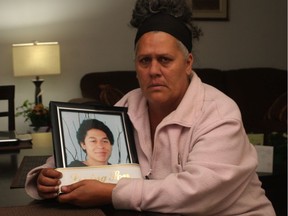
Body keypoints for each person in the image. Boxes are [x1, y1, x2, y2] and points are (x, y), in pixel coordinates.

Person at [25, 0, 276, 215]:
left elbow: (195, 193)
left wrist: (112, 193)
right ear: (135, 66)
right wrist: (46, 177)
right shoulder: (127, 104)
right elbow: (73, 160)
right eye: (145, 60)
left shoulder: (219, 113)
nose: (154, 70)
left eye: (165, 60)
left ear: (188, 63)